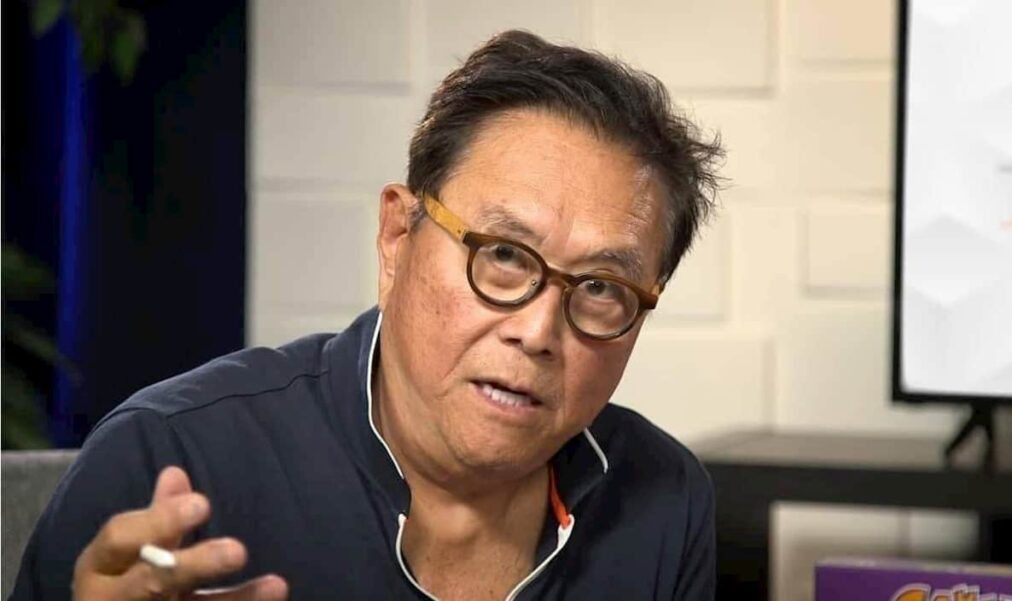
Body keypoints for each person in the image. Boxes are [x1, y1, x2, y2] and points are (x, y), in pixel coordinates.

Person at [13, 30, 722, 600]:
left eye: (601, 287)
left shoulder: (662, 499)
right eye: (504, 255)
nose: (537, 331)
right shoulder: (170, 457)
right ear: (397, 237)